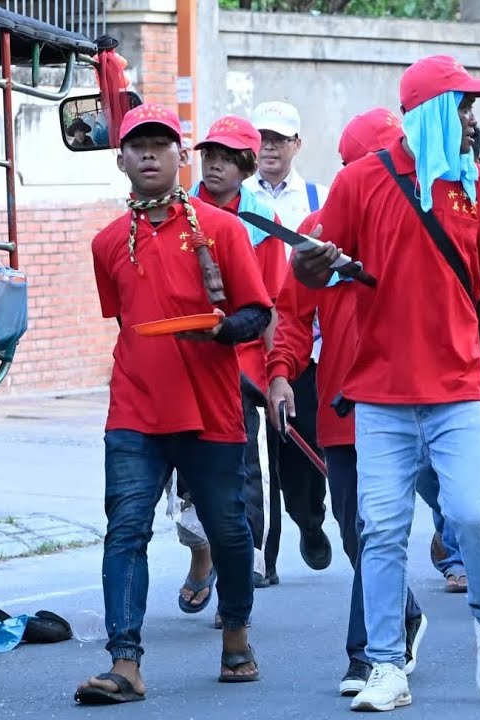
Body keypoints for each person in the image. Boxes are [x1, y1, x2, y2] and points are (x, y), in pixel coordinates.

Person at [292, 54, 480, 711]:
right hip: (381, 393)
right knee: (381, 529)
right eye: (464, 107)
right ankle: (386, 665)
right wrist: (313, 264)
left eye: (474, 108)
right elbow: (314, 274)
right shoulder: (361, 182)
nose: (473, 121)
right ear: (430, 114)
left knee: (475, 516)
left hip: (455, 390)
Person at [75, 103, 267, 705]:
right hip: (133, 410)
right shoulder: (107, 243)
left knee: (229, 531)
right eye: (139, 145)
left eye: (162, 144)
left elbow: (257, 313)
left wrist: (219, 331)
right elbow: (126, 320)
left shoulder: (223, 230)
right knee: (125, 529)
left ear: (181, 157)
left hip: (211, 410)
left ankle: (235, 632)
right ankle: (124, 663)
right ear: (122, 159)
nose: (150, 154)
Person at [267, 107, 428, 695]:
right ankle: (404, 613)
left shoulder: (428, 217)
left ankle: (365, 655)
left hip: (414, 399)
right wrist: (282, 374)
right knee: (356, 529)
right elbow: (291, 311)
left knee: (381, 522)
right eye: (351, 167)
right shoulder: (320, 229)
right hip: (342, 404)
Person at [190, 115, 290, 596]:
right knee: (186, 467)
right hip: (191, 356)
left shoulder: (262, 225)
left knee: (246, 461)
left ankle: (246, 560)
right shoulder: (182, 212)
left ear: (246, 166)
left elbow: (272, 306)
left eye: (227, 158)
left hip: (245, 361)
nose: (215, 166)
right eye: (209, 155)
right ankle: (202, 551)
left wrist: (276, 376)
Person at [244, 101, 328, 229]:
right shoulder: (237, 194)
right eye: (262, 138)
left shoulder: (321, 198)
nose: (269, 147)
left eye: (278, 139)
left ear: (297, 145)